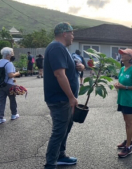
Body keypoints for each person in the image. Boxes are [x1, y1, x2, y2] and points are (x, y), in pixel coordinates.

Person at [43, 22, 85, 168]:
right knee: (59, 131)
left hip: (64, 99)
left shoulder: (62, 49)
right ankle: (50, 164)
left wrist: (79, 66)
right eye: (72, 33)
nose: (73, 36)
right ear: (64, 34)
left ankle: (60, 156)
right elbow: (59, 74)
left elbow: (68, 65)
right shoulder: (56, 47)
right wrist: (71, 97)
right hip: (60, 99)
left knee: (66, 126)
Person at [114, 48, 132, 158]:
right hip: (122, 99)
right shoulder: (122, 69)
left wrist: (124, 87)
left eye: (124, 54)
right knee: (126, 122)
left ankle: (128, 147)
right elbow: (121, 81)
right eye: (121, 54)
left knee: (129, 123)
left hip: (130, 100)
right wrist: (118, 85)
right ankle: (128, 140)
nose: (122, 55)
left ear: (130, 57)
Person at [0, 47, 20, 124]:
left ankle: (0, 117)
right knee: (12, 99)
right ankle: (14, 114)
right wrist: (17, 73)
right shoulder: (9, 63)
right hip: (9, 85)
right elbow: (11, 75)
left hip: (1, 85)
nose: (13, 55)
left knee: (1, 101)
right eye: (12, 53)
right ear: (8, 55)